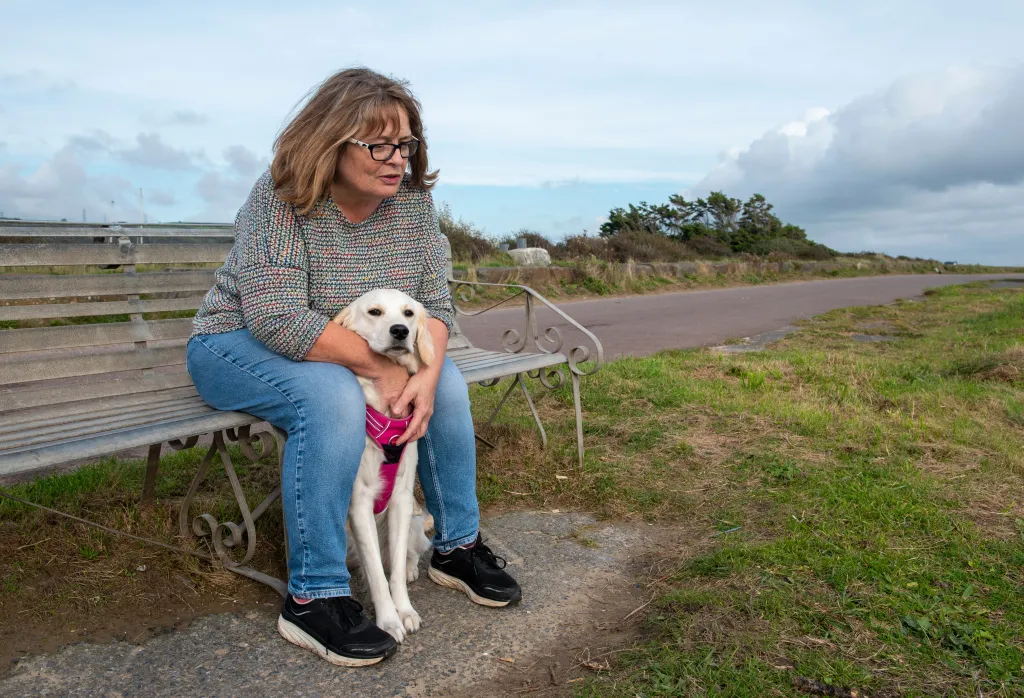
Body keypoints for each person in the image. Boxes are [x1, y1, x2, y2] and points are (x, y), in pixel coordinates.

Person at [186, 67, 521, 666]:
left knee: (445, 384)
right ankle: (313, 597)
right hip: (235, 343)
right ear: (330, 142)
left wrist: (421, 370)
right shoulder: (281, 198)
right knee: (333, 397)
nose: (397, 159)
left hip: (342, 345)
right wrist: (387, 370)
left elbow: (436, 307)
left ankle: (456, 545)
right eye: (379, 144)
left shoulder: (413, 207)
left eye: (406, 143)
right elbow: (276, 317)